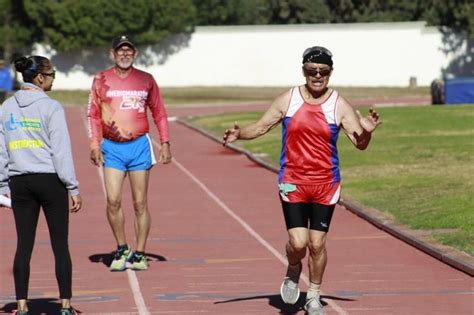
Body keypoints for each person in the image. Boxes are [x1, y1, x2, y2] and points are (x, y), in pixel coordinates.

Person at [222, 46, 381, 315]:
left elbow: (360, 143)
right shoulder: (289, 99)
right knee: (298, 243)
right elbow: (261, 126)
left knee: (317, 244)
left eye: (323, 71)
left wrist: (367, 132)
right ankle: (293, 268)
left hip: (326, 183)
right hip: (292, 181)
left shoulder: (339, 105)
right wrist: (241, 134)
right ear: (303, 71)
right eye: (312, 70)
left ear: (330, 73)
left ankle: (314, 296)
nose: (317, 75)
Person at [0, 56, 82, 315]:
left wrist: (2, 184)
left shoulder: (6, 107)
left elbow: (1, 151)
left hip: (20, 181)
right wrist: (73, 186)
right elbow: (60, 151)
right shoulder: (51, 108)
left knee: (24, 244)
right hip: (49, 181)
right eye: (52, 74)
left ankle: (22, 305)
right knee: (60, 244)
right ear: (39, 78)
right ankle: (66, 304)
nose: (53, 79)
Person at [87, 35, 172, 272]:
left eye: (129, 51)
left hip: (138, 147)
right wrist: (94, 144)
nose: (124, 54)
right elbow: (93, 114)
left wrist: (165, 142)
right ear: (112, 54)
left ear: (135, 54)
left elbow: (160, 112)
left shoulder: (146, 80)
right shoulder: (100, 79)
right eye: (120, 51)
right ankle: (122, 247)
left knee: (139, 203)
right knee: (113, 200)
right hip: (112, 147)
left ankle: (140, 252)